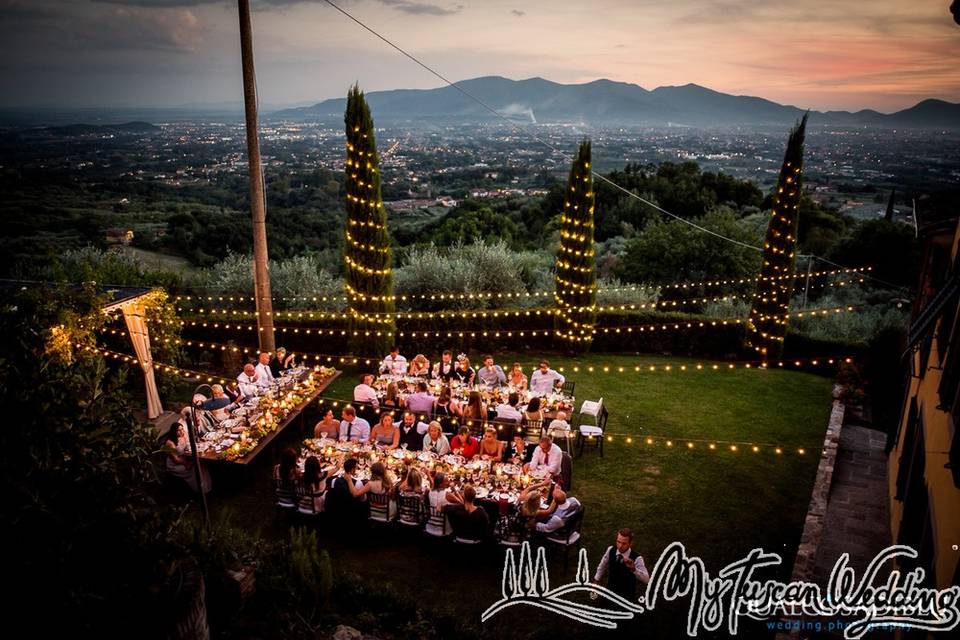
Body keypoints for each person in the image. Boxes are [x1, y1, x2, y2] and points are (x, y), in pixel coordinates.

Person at [593, 528, 650, 601]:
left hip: (626, 596)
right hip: (610, 590)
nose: (620, 546)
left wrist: (634, 569)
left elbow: (646, 580)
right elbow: (603, 565)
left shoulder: (637, 558)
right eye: (618, 542)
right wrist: (596, 580)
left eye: (624, 543)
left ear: (631, 543)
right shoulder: (611, 550)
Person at [163, 422, 211, 493]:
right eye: (179, 430)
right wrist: (187, 463)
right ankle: (198, 489)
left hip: (184, 458)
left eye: (182, 429)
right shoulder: (170, 443)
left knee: (201, 463)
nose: (181, 431)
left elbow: (188, 445)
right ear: (174, 431)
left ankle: (206, 487)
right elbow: (175, 459)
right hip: (175, 464)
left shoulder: (183, 435)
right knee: (195, 468)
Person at [425, 472, 457, 536]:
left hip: (430, 524)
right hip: (443, 528)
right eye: (446, 481)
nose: (448, 483)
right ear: (440, 484)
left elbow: (432, 485)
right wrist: (455, 490)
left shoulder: (430, 492)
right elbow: (462, 503)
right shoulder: (447, 494)